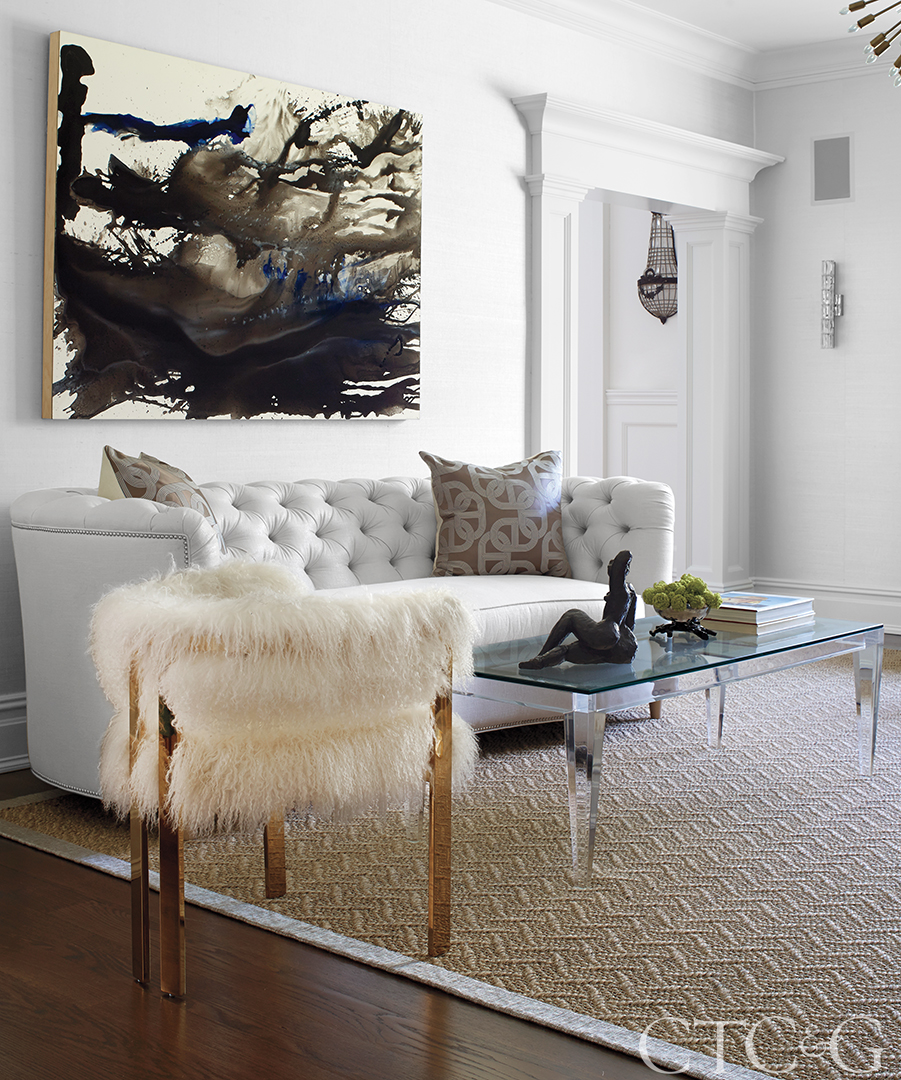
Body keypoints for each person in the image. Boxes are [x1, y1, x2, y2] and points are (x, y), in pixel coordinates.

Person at [519, 549, 638, 669]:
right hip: (623, 648)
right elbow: (630, 624)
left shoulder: (621, 591)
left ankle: (540, 655)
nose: (609, 565)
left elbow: (624, 559)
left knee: (571, 615)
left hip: (607, 632)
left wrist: (620, 564)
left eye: (612, 563)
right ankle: (540, 662)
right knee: (566, 652)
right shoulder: (630, 592)